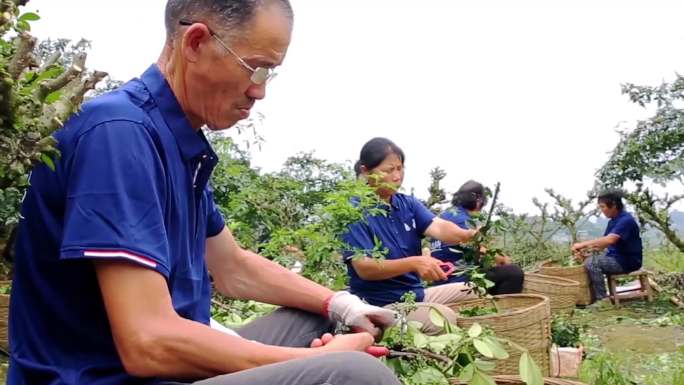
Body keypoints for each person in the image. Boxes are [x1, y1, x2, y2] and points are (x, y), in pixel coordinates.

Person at [8, 2, 402, 385]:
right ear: (195, 42)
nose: (259, 91)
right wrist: (319, 360)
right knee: (355, 374)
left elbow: (233, 268)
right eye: (257, 69)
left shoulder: (178, 143)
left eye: (270, 74)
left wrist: (340, 303)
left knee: (316, 318)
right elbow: (149, 343)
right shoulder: (119, 134)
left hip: (160, 367)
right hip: (103, 376)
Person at [341, 137, 479, 335]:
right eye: (389, 170)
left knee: (474, 290)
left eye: (400, 168)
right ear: (365, 171)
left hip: (416, 294)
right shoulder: (353, 212)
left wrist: (468, 235)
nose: (397, 176)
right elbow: (365, 268)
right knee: (444, 318)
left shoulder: (407, 204)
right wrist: (414, 263)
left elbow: (439, 227)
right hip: (382, 304)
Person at [429, 180, 524, 295]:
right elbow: (483, 252)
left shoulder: (444, 216)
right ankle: (504, 311)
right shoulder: (463, 220)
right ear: (478, 201)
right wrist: (503, 259)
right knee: (513, 273)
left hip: (439, 281)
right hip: (459, 281)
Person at [571, 189, 643, 303]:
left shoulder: (626, 220)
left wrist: (582, 244)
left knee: (592, 263)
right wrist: (586, 252)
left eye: (603, 207)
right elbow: (602, 246)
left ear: (613, 205)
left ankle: (603, 300)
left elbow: (609, 240)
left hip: (628, 261)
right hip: (615, 257)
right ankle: (595, 296)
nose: (601, 210)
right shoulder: (613, 221)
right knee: (589, 259)